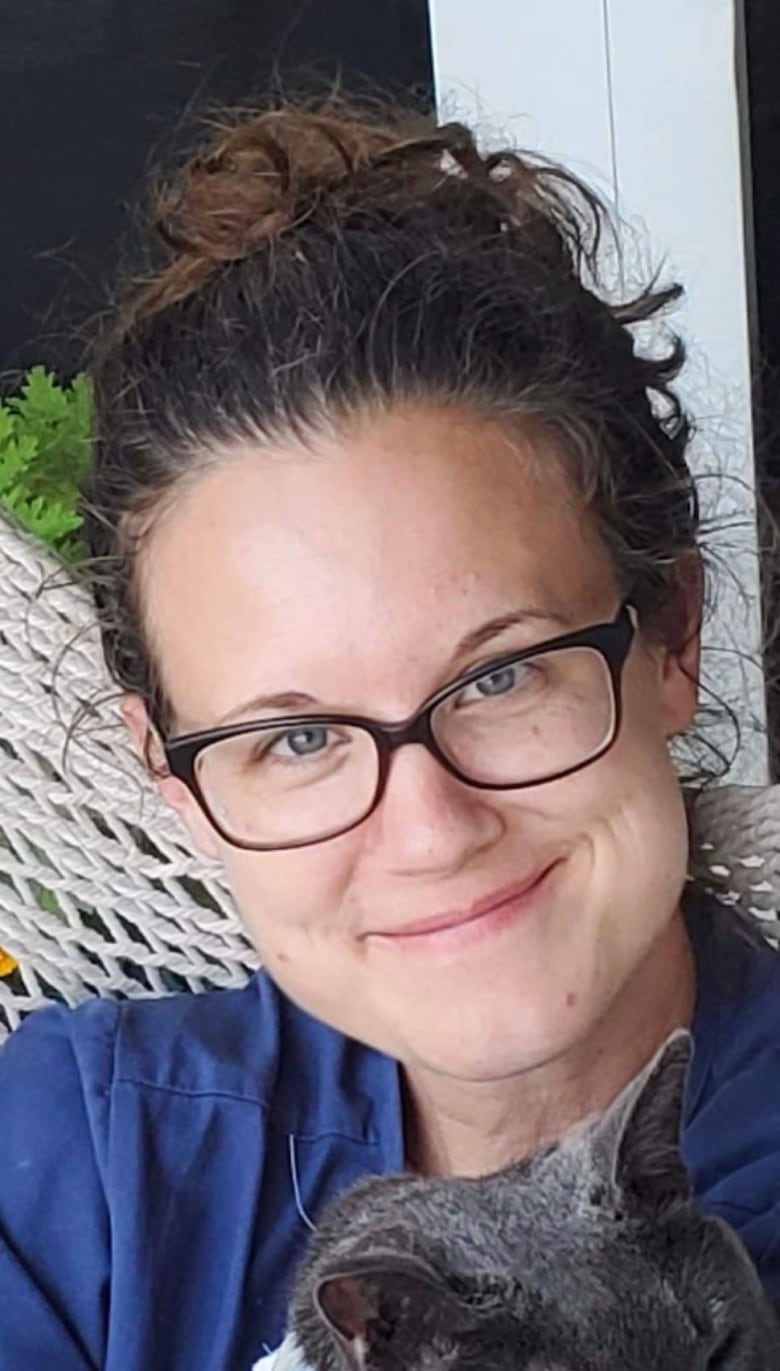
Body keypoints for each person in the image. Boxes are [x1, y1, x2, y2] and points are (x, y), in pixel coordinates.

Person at [1, 96, 779, 1371]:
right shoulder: (79, 1172)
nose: (430, 832)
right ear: (176, 781)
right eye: (295, 740)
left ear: (671, 636)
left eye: (502, 678)